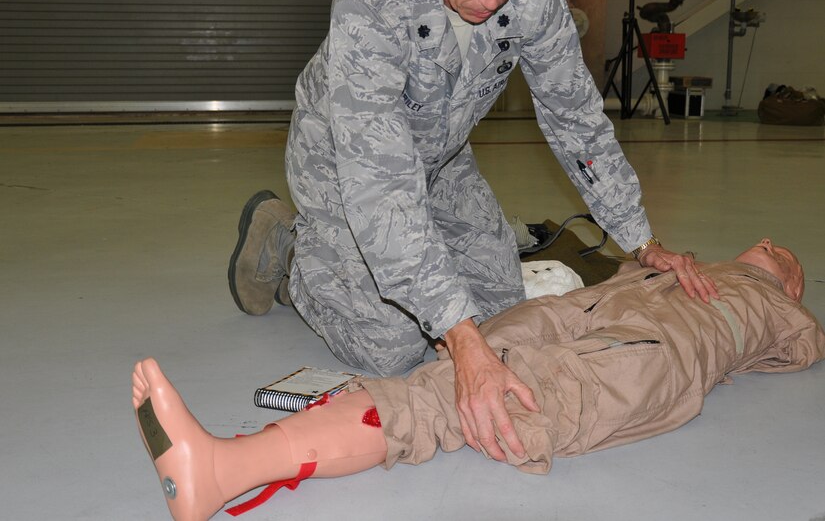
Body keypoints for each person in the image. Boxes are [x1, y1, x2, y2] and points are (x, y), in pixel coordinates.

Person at [227, 0, 718, 463]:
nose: (490, 2)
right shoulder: (371, 3)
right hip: (343, 162)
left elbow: (577, 121)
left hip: (442, 153)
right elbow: (382, 189)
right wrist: (458, 337)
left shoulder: (536, 1)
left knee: (503, 312)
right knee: (393, 344)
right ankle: (295, 251)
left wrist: (641, 239)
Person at [138, 239, 823, 520]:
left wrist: (780, 296)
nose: (765, 246)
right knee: (470, 360)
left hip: (659, 348)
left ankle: (228, 465)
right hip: (597, 306)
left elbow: (801, 345)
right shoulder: (682, 264)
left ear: (787, 280)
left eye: (779, 254)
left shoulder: (778, 307)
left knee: (490, 398)